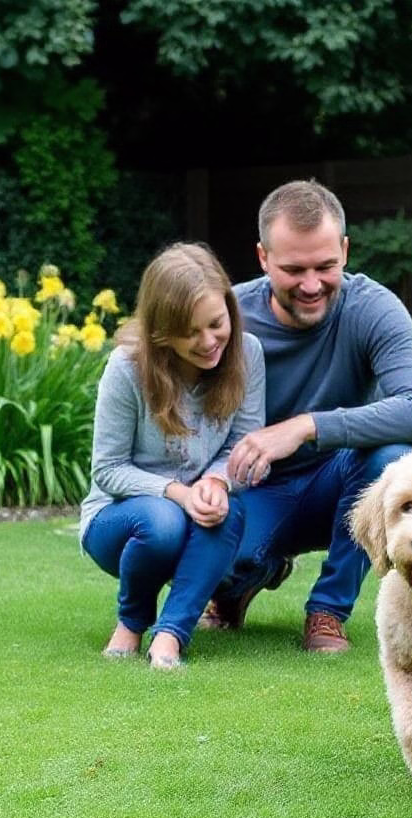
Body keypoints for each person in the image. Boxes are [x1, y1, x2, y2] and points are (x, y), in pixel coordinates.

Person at [202, 178, 412, 652]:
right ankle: (250, 575)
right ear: (262, 258)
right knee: (223, 562)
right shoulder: (226, 316)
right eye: (293, 269)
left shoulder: (373, 308)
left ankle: (328, 611)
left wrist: (306, 427)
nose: (312, 285)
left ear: (346, 251)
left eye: (326, 266)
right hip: (252, 485)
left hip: (341, 481)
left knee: (392, 460)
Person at [80, 243, 265, 669]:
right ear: (161, 331)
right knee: (161, 521)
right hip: (119, 521)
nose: (208, 341)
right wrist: (180, 494)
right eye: (189, 332)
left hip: (198, 518)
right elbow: (108, 470)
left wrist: (217, 482)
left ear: (230, 311)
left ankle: (170, 636)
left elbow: (244, 442)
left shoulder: (247, 353)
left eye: (217, 324)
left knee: (228, 513)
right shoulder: (127, 367)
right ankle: (131, 621)